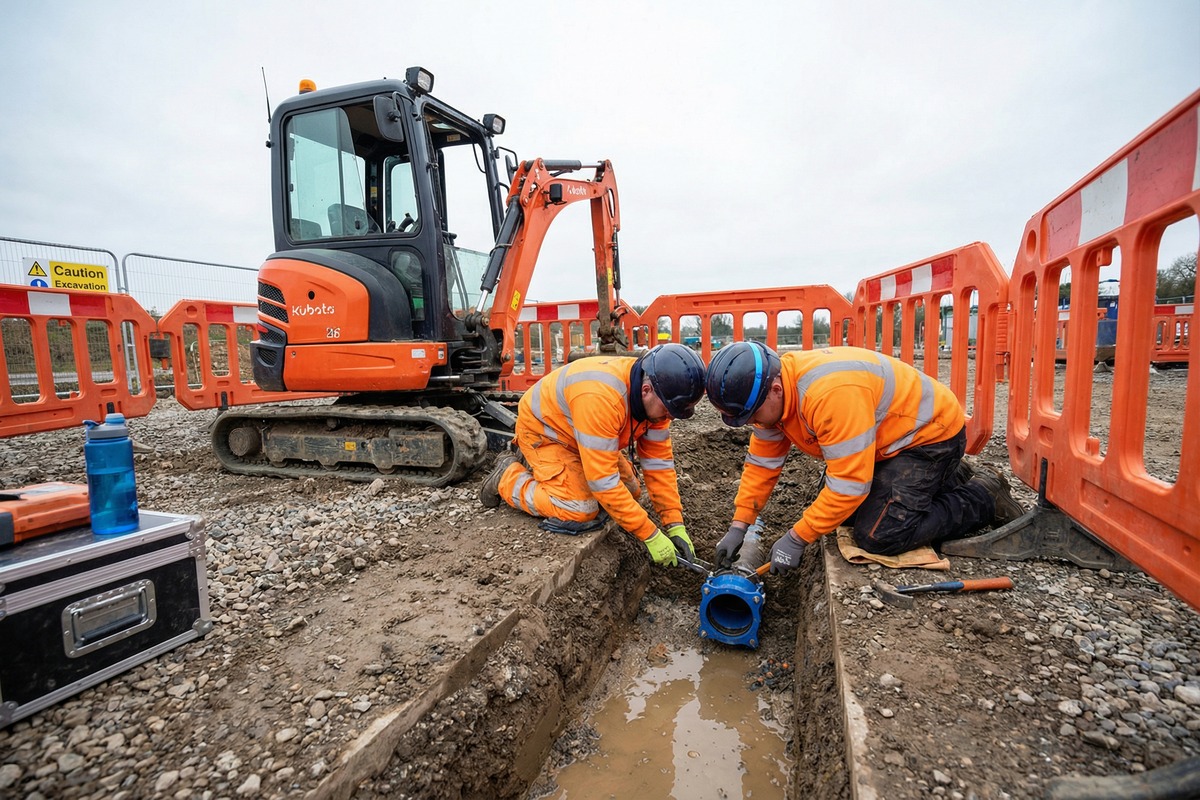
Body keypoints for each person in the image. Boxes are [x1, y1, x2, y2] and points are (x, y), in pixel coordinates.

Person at [705, 342, 1024, 575]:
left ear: (775, 389)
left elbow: (849, 487)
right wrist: (739, 525)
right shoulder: (773, 401)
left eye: (750, 415)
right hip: (892, 440)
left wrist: (796, 538)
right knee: (838, 515)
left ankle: (982, 495)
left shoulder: (827, 396)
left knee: (879, 534)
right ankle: (945, 479)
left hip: (930, 439)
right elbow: (762, 467)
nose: (750, 423)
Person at [480, 343, 706, 568]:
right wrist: (650, 535)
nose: (670, 417)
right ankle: (507, 477)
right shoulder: (603, 398)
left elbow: (659, 467)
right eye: (668, 410)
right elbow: (603, 483)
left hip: (585, 435)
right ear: (646, 391)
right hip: (546, 433)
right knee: (579, 508)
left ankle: (563, 475)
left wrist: (675, 524)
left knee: (632, 490)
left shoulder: (657, 401)